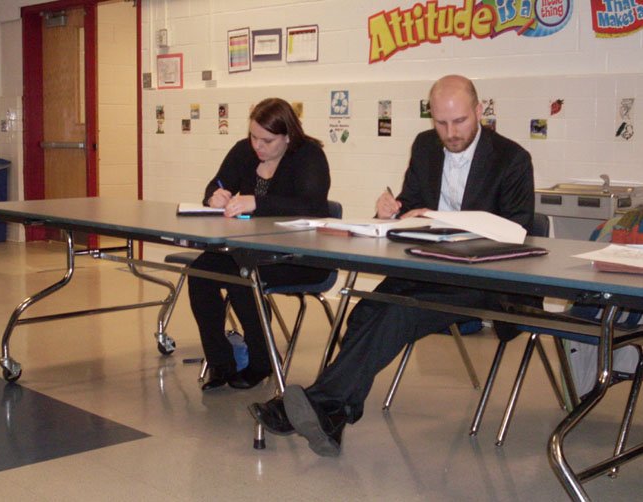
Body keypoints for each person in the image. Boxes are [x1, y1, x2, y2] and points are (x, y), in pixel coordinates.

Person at [249, 75, 536, 456]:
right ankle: (333, 413)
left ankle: (316, 404)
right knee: (367, 310)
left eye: (460, 122)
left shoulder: (512, 159)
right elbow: (411, 204)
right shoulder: (425, 147)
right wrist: (392, 210)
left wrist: (449, 222)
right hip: (427, 267)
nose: (450, 133)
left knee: (396, 313)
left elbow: (518, 232)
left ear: (480, 111)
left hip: (483, 279)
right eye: (440, 123)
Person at [189, 98, 331, 392]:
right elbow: (216, 184)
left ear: (288, 136)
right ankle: (221, 361)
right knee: (200, 271)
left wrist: (258, 202)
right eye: (253, 136)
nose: (258, 146)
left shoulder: (309, 156)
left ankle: (262, 360)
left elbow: (313, 205)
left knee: (243, 275)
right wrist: (214, 196)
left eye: (267, 140)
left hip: (302, 257)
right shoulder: (244, 151)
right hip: (252, 250)